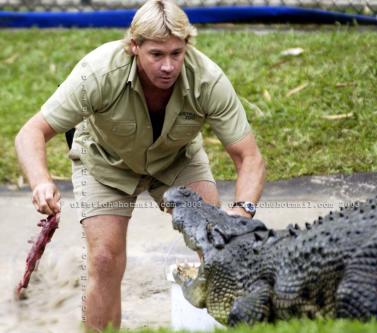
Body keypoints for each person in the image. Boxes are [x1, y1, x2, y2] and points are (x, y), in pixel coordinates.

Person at [15, 0, 265, 331]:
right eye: (157, 54)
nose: (168, 66)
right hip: (105, 163)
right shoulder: (99, 72)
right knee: (104, 260)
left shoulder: (208, 80)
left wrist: (241, 212)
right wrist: (41, 182)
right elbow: (32, 132)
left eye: (176, 53)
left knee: (216, 242)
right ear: (134, 46)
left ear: (187, 46)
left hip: (176, 158)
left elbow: (249, 157)